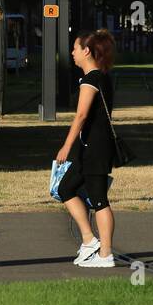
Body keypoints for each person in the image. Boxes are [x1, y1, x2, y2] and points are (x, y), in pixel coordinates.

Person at [54, 29, 119, 268]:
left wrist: (66, 146)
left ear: (86, 51)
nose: (72, 53)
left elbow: (81, 116)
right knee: (65, 188)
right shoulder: (100, 77)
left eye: (75, 48)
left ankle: (106, 254)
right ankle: (90, 239)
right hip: (89, 148)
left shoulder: (92, 79)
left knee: (99, 199)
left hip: (95, 148)